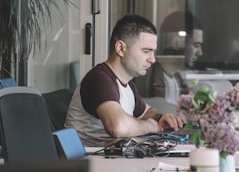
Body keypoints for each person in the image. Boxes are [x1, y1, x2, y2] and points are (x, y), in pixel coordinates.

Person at [64, 14, 185, 147]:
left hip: (112, 159)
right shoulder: (99, 79)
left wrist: (160, 118)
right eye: (146, 51)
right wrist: (151, 126)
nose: (152, 59)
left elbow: (145, 112)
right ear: (121, 48)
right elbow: (118, 127)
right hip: (90, 162)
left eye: (153, 52)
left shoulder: (127, 84)